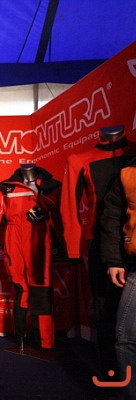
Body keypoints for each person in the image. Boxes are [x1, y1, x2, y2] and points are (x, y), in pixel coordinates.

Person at [60, 125, 136, 385]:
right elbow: (69, 206)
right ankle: (111, 376)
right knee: (106, 312)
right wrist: (72, 248)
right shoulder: (80, 159)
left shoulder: (133, 152)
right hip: (101, 243)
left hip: (131, 239)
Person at [0, 163, 65, 350]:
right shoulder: (6, 187)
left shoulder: (51, 186)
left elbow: (60, 217)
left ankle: (45, 341)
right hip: (14, 236)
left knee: (41, 287)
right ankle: (21, 335)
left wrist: (64, 244)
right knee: (20, 286)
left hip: (39, 236)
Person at [100, 160, 136, 400]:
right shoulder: (127, 173)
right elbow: (111, 216)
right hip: (135, 265)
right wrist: (114, 260)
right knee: (126, 338)